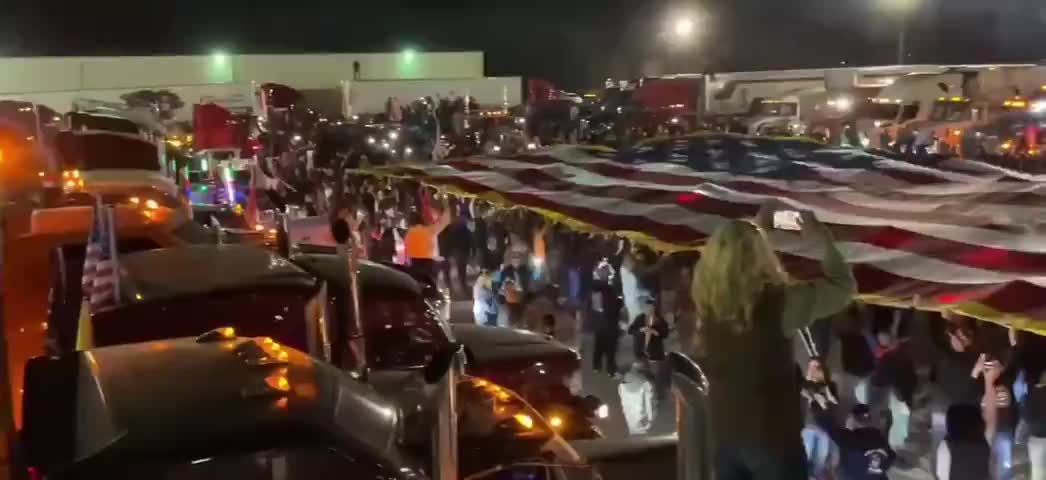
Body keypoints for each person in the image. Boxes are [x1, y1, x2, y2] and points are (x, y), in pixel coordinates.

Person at [690, 203, 856, 480]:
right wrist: (822, 241)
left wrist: (756, 231)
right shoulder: (780, 303)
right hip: (771, 436)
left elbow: (732, 265)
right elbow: (842, 287)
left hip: (725, 434)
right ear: (760, 256)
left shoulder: (707, 303)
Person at [813, 403, 895, 480]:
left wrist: (817, 404)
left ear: (852, 418)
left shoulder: (850, 439)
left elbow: (826, 423)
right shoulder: (879, 438)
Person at [404, 194, 451, 282]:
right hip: (428, 264)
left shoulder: (408, 234)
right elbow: (446, 220)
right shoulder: (428, 231)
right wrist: (446, 202)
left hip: (414, 264)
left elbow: (406, 252)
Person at [591, 274, 623, 377]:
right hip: (611, 324)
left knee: (598, 346)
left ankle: (596, 366)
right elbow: (616, 307)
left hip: (599, 325)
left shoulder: (595, 293)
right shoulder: (611, 292)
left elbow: (594, 310)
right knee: (611, 349)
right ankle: (610, 370)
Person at [619, 362, 655, 435]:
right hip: (637, 415)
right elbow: (649, 402)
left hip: (631, 415)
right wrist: (650, 418)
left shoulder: (621, 386)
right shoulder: (644, 383)